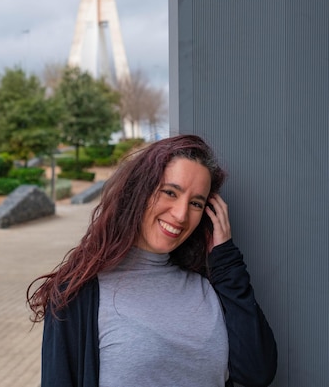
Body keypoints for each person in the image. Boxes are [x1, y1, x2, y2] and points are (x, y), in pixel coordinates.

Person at [27, 135, 277, 387]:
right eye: (170, 192)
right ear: (140, 191)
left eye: (195, 203)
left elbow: (256, 372)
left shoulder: (210, 284)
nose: (180, 215)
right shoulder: (78, 295)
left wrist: (227, 263)